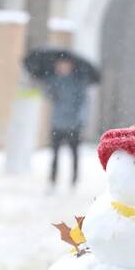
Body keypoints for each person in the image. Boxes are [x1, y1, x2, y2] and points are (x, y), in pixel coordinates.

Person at [43, 58, 88, 189]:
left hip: (73, 124)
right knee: (54, 154)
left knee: (74, 154)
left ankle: (74, 180)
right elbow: (48, 95)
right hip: (57, 123)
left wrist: (81, 119)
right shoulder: (54, 80)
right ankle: (52, 180)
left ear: (71, 66)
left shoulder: (78, 82)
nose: (62, 67)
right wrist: (51, 81)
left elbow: (83, 102)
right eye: (59, 65)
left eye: (64, 65)